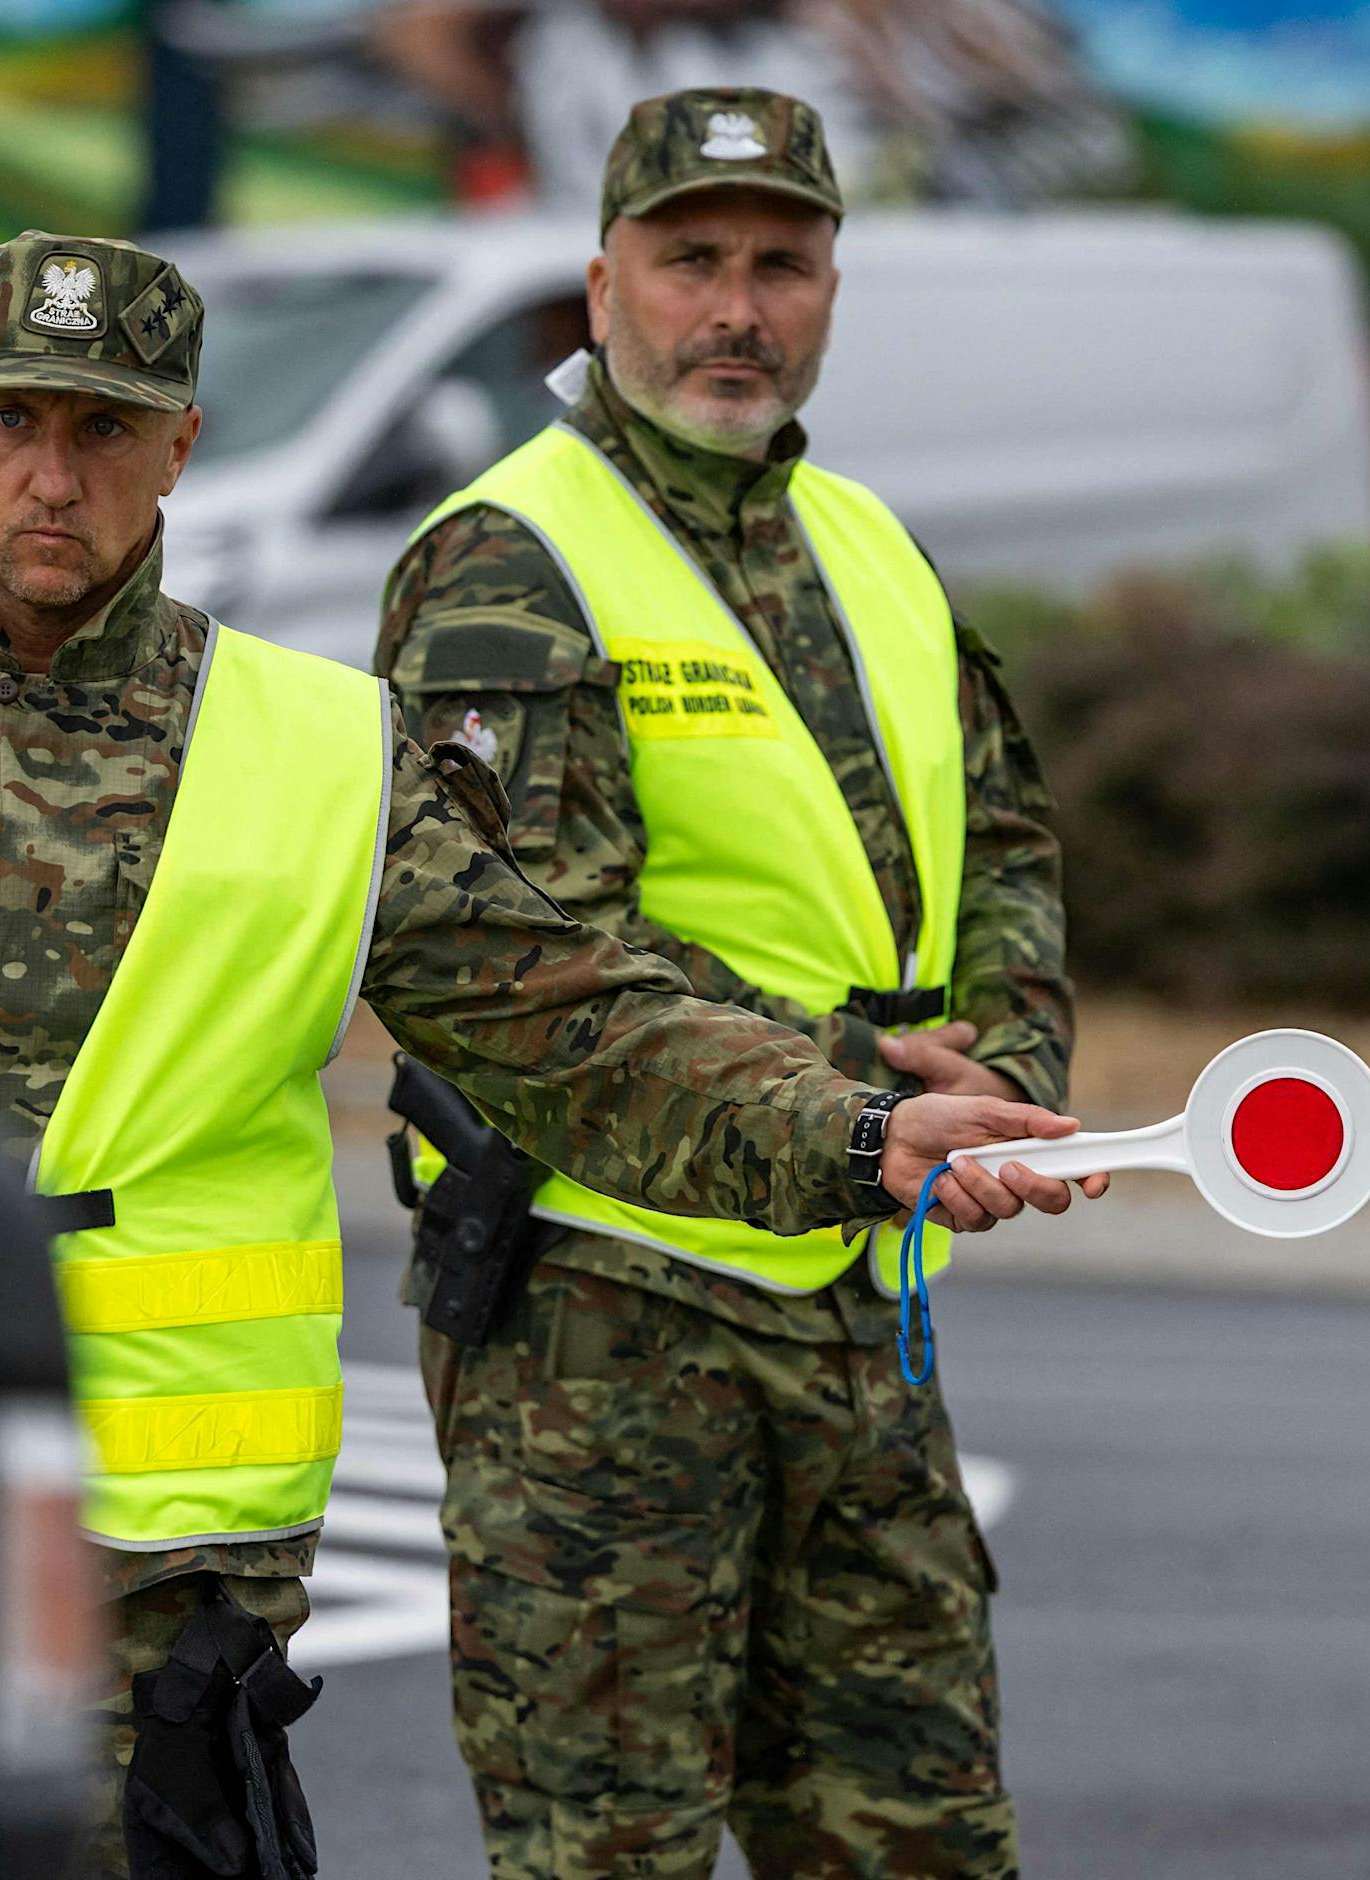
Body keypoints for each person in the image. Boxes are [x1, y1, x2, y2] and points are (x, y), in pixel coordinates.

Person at [0, 229, 1097, 1879]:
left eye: (101, 429)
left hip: (167, 1573)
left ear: (181, 446)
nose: (50, 474)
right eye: (14, 418)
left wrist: (844, 1126)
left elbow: (577, 1022)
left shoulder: (316, 749)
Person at [375, 88, 1093, 1878]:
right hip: (610, 1328)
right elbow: (523, 954)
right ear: (602, 282)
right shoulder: (503, 562)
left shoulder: (872, 546)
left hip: (860, 1306)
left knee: (919, 1840)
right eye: (691, 258)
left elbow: (1000, 850)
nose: (737, 307)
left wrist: (1003, 1071)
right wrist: (862, 1073)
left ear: (836, 285)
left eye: (783, 263)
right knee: (610, 1853)